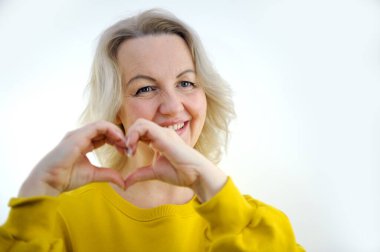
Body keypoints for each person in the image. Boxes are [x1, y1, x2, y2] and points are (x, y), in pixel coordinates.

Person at [0, 9, 305, 251]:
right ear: (116, 108)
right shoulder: (56, 220)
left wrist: (205, 181)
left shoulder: (247, 226)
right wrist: (36, 191)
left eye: (186, 83)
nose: (173, 106)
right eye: (146, 89)